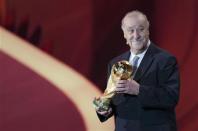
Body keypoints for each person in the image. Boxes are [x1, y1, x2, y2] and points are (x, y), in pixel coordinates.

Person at [94, 10, 180, 131]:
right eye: (131, 30)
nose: (136, 35)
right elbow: (114, 99)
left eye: (141, 29)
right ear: (124, 34)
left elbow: (170, 98)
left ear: (148, 31)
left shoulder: (166, 60)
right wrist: (105, 110)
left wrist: (138, 90)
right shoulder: (115, 63)